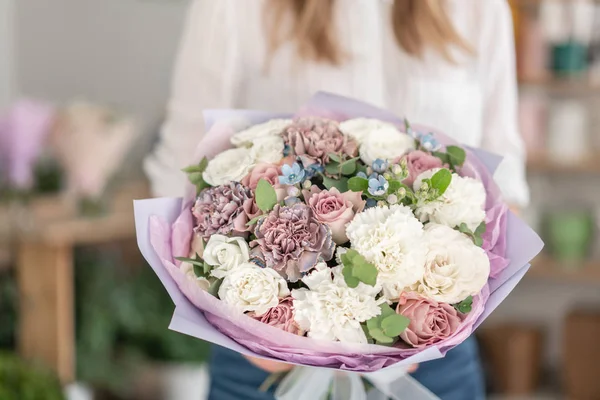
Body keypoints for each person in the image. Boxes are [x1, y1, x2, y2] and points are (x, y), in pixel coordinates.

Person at [145, 1, 529, 399]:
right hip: (260, 365)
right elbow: (178, 170)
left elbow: (505, 187)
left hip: (434, 361)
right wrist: (251, 329)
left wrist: (422, 324)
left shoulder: (478, 9)